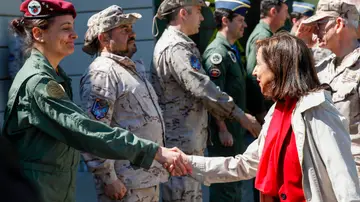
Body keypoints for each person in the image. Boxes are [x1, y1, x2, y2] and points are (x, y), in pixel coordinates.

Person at [2, 1, 190, 201]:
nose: (74, 35)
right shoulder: (39, 82)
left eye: (73, 28)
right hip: (39, 189)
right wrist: (153, 151)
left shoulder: (56, 75)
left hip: (54, 186)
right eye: (65, 29)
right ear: (39, 34)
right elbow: (85, 129)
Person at [169, 32, 360, 202]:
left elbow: (342, 176)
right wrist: (188, 162)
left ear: (279, 67)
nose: (254, 72)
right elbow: (245, 164)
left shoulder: (318, 110)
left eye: (259, 64)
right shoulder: (278, 109)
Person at [151, 0, 261, 201]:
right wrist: (240, 116)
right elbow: (203, 88)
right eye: (199, 12)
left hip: (185, 144)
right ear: (183, 13)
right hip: (180, 146)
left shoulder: (179, 44)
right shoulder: (175, 47)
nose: (202, 18)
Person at [80, 5, 168, 202]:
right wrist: (108, 179)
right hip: (124, 185)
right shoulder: (102, 73)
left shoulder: (126, 68)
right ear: (103, 38)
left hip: (144, 178)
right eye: (124, 30)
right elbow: (94, 132)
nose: (133, 34)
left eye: (131, 28)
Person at [296, 0, 360, 181]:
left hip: (353, 174)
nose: (315, 31)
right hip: (324, 172)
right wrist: (299, 43)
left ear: (339, 24)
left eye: (320, 25)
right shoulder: (322, 67)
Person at [201, 1, 257, 201]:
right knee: (225, 189)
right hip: (225, 136)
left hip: (236, 132)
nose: (245, 25)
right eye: (240, 20)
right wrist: (222, 128)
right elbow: (213, 95)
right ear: (225, 21)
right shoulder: (217, 53)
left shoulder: (230, 50)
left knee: (235, 187)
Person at [245, 0, 288, 113]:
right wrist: (259, 111)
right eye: (285, 11)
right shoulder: (263, 36)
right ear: (273, 11)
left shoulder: (266, 34)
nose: (287, 16)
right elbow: (253, 76)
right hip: (263, 108)